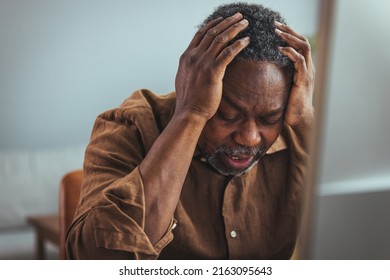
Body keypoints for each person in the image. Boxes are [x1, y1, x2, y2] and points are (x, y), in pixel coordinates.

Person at [66, 2, 314, 259]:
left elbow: (355, 228)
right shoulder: (129, 128)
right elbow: (94, 259)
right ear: (192, 84)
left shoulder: (298, 133)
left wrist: (306, 120)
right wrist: (192, 113)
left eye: (269, 118)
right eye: (228, 115)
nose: (249, 137)